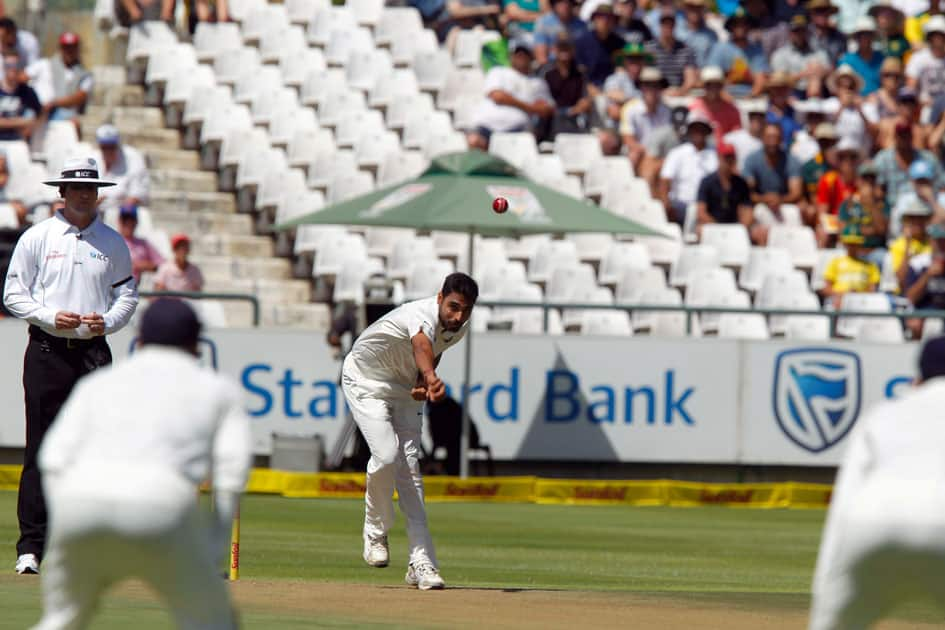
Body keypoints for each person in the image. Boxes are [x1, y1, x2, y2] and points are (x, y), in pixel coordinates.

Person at [31, 298, 250, 629]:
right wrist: (215, 545)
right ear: (196, 344)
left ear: (142, 340)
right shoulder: (219, 390)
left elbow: (52, 458)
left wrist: (68, 518)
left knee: (63, 620)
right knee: (213, 623)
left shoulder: (98, 383)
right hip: (162, 507)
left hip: (80, 505)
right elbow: (232, 473)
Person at [2, 157, 138, 575]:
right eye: (75, 187)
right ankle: (31, 548)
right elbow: (13, 294)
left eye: (90, 188)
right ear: (61, 192)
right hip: (47, 352)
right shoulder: (38, 237)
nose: (83, 194)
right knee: (41, 451)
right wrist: (48, 316)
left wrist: (108, 322)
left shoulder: (112, 243)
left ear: (98, 194)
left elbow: (127, 296)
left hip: (93, 353)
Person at [341, 272, 478, 591]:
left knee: (410, 474)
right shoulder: (420, 315)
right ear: (440, 297)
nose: (458, 317)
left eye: (466, 310)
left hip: (405, 390)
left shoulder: (459, 327)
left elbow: (435, 349)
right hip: (366, 381)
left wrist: (419, 381)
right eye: (453, 307)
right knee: (386, 455)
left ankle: (422, 562)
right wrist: (430, 378)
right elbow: (420, 344)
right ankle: (375, 532)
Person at [809, 336, 945, 629]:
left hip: (874, 519)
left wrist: (826, 594)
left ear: (918, 378)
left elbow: (844, 502)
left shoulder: (882, 414)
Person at [467, 39, 553, 150]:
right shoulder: (498, 72)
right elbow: (498, 96)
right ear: (510, 56)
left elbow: (547, 109)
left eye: (524, 54)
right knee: (473, 141)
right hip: (487, 126)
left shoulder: (538, 83)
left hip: (517, 130)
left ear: (531, 57)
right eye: (518, 54)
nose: (521, 57)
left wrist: (510, 99)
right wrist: (529, 107)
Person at [659, 111, 717, 225]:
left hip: (707, 207)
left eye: (701, 129)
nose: (698, 133)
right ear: (689, 131)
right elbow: (665, 180)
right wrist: (666, 204)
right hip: (681, 206)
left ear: (707, 132)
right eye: (695, 129)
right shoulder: (677, 153)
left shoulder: (714, 156)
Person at [743, 123, 805, 226]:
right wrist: (764, 199)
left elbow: (796, 192)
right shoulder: (752, 159)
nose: (772, 141)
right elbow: (746, 191)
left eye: (776, 137)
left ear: (781, 139)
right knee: (745, 211)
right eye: (769, 137)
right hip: (759, 203)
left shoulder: (792, 160)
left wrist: (779, 199)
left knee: (804, 209)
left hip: (786, 202)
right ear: (762, 138)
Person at [875, 122, 945, 213]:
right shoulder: (883, 158)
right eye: (901, 135)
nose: (903, 139)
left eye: (906, 135)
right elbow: (877, 190)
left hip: (926, 207)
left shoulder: (928, 158)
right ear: (895, 137)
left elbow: (942, 186)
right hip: (894, 208)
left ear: (911, 137)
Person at [25, 32, 93, 126]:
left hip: (64, 112)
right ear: (60, 48)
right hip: (39, 108)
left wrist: (53, 103)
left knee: (73, 123)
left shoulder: (85, 75)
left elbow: (79, 97)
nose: (69, 51)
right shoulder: (45, 65)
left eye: (72, 47)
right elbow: (22, 77)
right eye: (66, 47)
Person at [705, 7, 768, 99]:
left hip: (751, 98)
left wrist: (751, 96)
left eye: (744, 23)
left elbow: (761, 79)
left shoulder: (757, 51)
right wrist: (724, 96)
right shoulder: (719, 48)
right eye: (736, 24)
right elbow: (712, 76)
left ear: (750, 26)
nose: (740, 27)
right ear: (730, 26)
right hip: (722, 98)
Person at [695, 142, 755, 240]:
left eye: (731, 157)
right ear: (719, 157)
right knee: (700, 230)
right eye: (726, 157)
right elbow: (701, 212)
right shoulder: (707, 182)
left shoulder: (741, 183)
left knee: (758, 232)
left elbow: (747, 210)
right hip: (713, 225)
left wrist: (741, 227)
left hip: (735, 226)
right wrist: (718, 228)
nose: (729, 161)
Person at [836, 162, 890, 266]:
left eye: (872, 179)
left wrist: (870, 204)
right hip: (851, 251)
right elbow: (843, 232)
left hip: (874, 252)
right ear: (858, 181)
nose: (869, 182)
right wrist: (868, 230)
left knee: (883, 258)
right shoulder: (848, 204)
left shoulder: (882, 204)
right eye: (865, 178)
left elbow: (882, 230)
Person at [619, 66, 671, 172]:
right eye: (647, 85)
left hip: (660, 156)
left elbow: (668, 140)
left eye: (656, 86)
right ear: (641, 87)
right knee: (635, 155)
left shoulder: (667, 110)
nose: (651, 90)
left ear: (661, 88)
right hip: (640, 154)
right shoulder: (630, 108)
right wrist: (649, 154)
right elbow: (628, 140)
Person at [819, 223, 882, 308]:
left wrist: (857, 294)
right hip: (838, 300)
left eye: (855, 244)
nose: (852, 247)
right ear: (845, 244)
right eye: (850, 243)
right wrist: (842, 294)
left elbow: (872, 290)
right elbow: (826, 288)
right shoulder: (836, 262)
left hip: (861, 302)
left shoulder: (870, 265)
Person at [770, 14, 831, 99]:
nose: (800, 34)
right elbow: (779, 80)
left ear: (807, 32)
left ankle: (814, 102)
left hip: (819, 89)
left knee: (816, 73)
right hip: (792, 92)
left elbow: (829, 71)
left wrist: (820, 71)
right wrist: (804, 74)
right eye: (796, 31)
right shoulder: (780, 54)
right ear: (790, 33)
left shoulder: (819, 52)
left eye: (802, 30)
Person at [94, 124, 150, 212]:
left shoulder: (133, 158)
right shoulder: (92, 158)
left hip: (123, 213)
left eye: (111, 147)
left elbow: (139, 194)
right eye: (105, 147)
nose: (108, 151)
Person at [644, 10, 698, 96]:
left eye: (670, 24)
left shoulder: (685, 49)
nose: (668, 27)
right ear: (660, 25)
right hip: (655, 93)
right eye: (665, 24)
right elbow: (645, 75)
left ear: (675, 26)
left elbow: (690, 79)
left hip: (680, 93)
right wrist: (659, 93)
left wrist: (680, 92)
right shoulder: (649, 49)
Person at [905, 223, 945, 337]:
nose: (942, 245)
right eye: (938, 240)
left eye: (944, 241)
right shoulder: (918, 263)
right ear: (931, 241)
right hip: (924, 311)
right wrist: (927, 275)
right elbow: (911, 297)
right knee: (915, 323)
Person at [573, 4, 624, 91]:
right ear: (594, 20)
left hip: (613, 88)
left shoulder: (620, 43)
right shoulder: (582, 42)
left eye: (609, 18)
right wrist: (589, 88)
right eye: (600, 17)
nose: (605, 21)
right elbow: (579, 71)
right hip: (587, 88)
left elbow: (621, 70)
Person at [890, 159, 945, 238]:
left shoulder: (942, 198)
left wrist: (932, 200)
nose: (922, 184)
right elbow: (895, 229)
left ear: (932, 181)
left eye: (925, 180)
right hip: (911, 243)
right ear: (912, 182)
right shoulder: (905, 200)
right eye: (919, 181)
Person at [688, 66, 741, 146]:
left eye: (717, 85)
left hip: (724, 152)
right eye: (709, 85)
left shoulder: (732, 109)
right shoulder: (694, 107)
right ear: (703, 86)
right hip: (700, 151)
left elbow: (737, 136)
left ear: (721, 86)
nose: (713, 88)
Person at [889, 199, 932, 293]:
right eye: (912, 218)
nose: (916, 222)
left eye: (920, 218)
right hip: (906, 294)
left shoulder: (935, 243)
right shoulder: (898, 245)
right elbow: (901, 279)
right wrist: (908, 246)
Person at [602, 42, 649, 127]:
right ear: (625, 62)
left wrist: (625, 103)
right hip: (617, 131)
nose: (635, 66)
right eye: (632, 61)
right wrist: (644, 103)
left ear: (643, 63)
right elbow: (614, 112)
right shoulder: (615, 79)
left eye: (638, 60)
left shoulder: (649, 81)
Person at [838, 17, 885, 96]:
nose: (865, 38)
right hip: (854, 102)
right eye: (861, 35)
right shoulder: (847, 60)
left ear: (873, 37)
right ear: (856, 38)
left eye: (868, 35)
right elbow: (841, 87)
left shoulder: (881, 59)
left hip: (878, 102)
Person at [118, 204, 164, 285]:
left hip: (138, 286)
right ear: (119, 221)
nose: (128, 223)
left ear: (136, 222)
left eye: (131, 220)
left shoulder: (143, 243)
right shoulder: (112, 241)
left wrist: (145, 266)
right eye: (125, 220)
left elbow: (161, 264)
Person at [0, 50, 41, 142]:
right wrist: (22, 122)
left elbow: (40, 114)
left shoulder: (27, 92)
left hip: (19, 141)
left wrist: (31, 128)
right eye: (8, 66)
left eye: (15, 65)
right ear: (3, 67)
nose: (12, 69)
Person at [905, 14, 945, 106]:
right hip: (924, 105)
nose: (937, 39)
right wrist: (919, 101)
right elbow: (911, 87)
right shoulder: (918, 58)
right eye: (934, 35)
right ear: (929, 37)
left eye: (940, 35)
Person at [533, 0, 587, 64]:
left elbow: (586, 52)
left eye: (567, 2)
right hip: (552, 66)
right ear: (553, 5)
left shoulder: (581, 25)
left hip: (576, 66)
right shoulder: (543, 23)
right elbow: (541, 57)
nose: (565, 5)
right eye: (560, 2)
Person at [801, 122, 839, 205]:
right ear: (818, 142)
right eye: (823, 141)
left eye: (830, 142)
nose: (827, 145)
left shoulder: (842, 164)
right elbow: (813, 196)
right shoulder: (810, 166)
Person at [723, 101, 765, 172]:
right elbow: (722, 145)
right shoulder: (735, 137)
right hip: (738, 178)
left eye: (760, 118)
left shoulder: (766, 141)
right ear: (749, 119)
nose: (756, 121)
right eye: (753, 118)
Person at [765, 71, 802, 147]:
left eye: (783, 88)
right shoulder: (762, 111)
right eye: (776, 88)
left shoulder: (794, 112)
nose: (779, 92)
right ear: (771, 91)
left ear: (788, 91)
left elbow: (797, 134)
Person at [675, 0, 716, 65]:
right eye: (691, 7)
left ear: (702, 10)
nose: (694, 11)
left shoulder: (711, 35)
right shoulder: (676, 32)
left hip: (703, 72)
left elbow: (713, 61)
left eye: (698, 7)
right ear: (685, 9)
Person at [807, 0, 847, 67]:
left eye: (825, 10)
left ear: (830, 13)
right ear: (811, 14)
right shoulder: (804, 34)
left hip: (833, 74)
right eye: (818, 11)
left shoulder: (840, 38)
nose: (822, 14)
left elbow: (843, 62)